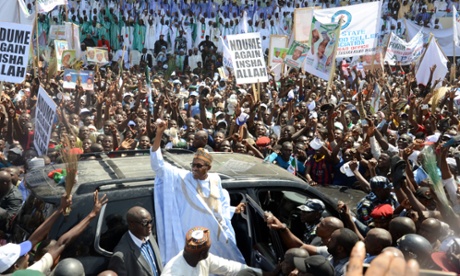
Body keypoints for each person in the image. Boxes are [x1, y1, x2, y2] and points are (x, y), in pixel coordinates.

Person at [150, 120, 245, 265]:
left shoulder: (215, 179)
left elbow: (216, 207)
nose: (194, 168)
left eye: (199, 166)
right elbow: (158, 166)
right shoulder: (182, 177)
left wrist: (232, 210)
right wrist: (159, 134)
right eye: (193, 165)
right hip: (190, 237)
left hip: (213, 239)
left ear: (208, 167)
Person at [161, 227, 262, 275]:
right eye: (208, 251)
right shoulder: (173, 273)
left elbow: (230, 268)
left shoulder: (203, 258)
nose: (209, 253)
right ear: (202, 253)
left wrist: (262, 273)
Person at [108, 206, 163, 276]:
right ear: (132, 224)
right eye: (145, 222)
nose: (149, 226)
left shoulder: (148, 235)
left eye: (151, 221)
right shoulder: (121, 256)